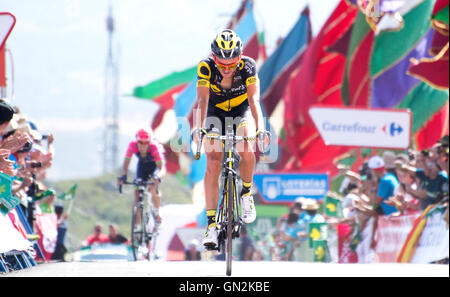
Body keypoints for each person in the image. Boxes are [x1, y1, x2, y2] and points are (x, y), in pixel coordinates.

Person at [191, 29, 268, 248]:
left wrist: (261, 129)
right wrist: (199, 129)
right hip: (214, 112)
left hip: (241, 111)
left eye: (231, 64)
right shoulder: (205, 67)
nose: (226, 69)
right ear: (213, 58)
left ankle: (245, 194)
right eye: (221, 64)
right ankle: (212, 226)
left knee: (246, 144)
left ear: (239, 58)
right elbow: (202, 102)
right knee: (213, 164)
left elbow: (254, 100)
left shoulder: (249, 66)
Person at [118, 128, 166, 229]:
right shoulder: (132, 146)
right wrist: (123, 176)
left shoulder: (154, 147)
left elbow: (162, 169)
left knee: (153, 187)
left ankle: (157, 213)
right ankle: (136, 227)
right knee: (137, 197)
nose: (143, 145)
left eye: (146, 143)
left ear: (149, 142)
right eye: (140, 142)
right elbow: (125, 165)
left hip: (155, 168)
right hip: (142, 167)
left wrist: (158, 177)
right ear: (136, 141)